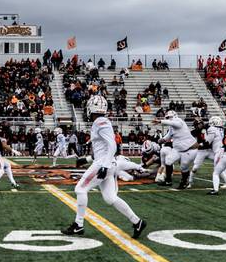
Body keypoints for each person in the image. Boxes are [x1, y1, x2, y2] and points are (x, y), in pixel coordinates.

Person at [61, 95, 146, 239]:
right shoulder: (101, 122)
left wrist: (104, 166)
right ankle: (137, 222)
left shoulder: (100, 121)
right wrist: (86, 159)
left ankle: (78, 225)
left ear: (92, 108)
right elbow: (103, 149)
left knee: (80, 189)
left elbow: (112, 145)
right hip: (106, 163)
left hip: (103, 164)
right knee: (110, 198)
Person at [156, 110, 198, 189]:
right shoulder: (172, 127)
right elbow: (169, 135)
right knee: (168, 161)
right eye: (167, 118)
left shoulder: (179, 121)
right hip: (177, 149)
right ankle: (168, 181)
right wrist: (162, 139)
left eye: (169, 117)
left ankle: (184, 182)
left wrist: (161, 121)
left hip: (188, 148)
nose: (168, 119)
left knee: (183, 167)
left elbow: (175, 124)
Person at [0, 122, 21, 192]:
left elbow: (2, 145)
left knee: (7, 165)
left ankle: (13, 182)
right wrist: (14, 151)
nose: (9, 128)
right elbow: (4, 145)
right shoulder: (3, 133)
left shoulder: (0, 133)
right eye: (8, 127)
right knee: (1, 171)